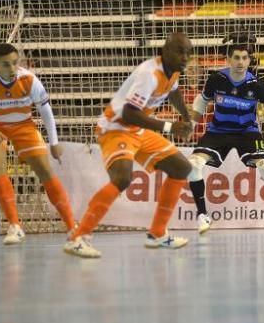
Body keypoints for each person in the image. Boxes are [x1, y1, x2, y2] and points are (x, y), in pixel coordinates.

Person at [64, 33, 195, 259]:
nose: (185, 57)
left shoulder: (173, 71)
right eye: (180, 52)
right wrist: (169, 127)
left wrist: (185, 116)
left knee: (181, 168)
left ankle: (157, 234)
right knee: (123, 178)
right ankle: (79, 237)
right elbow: (129, 113)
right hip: (116, 127)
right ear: (165, 52)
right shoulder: (149, 75)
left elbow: (173, 93)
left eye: (188, 53)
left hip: (137, 130)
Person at [0, 44, 77, 244]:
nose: (12, 69)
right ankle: (15, 226)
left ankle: (72, 227)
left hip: (23, 125)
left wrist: (53, 142)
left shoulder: (29, 79)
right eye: (6, 64)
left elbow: (46, 111)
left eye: (15, 63)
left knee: (45, 170)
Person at [187, 36, 264, 234]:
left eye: (245, 58)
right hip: (218, 132)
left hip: (248, 133)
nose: (240, 62)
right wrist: (192, 123)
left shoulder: (256, 85)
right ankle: (202, 216)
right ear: (228, 59)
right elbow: (201, 101)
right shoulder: (216, 79)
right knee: (193, 165)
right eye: (236, 57)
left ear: (249, 60)